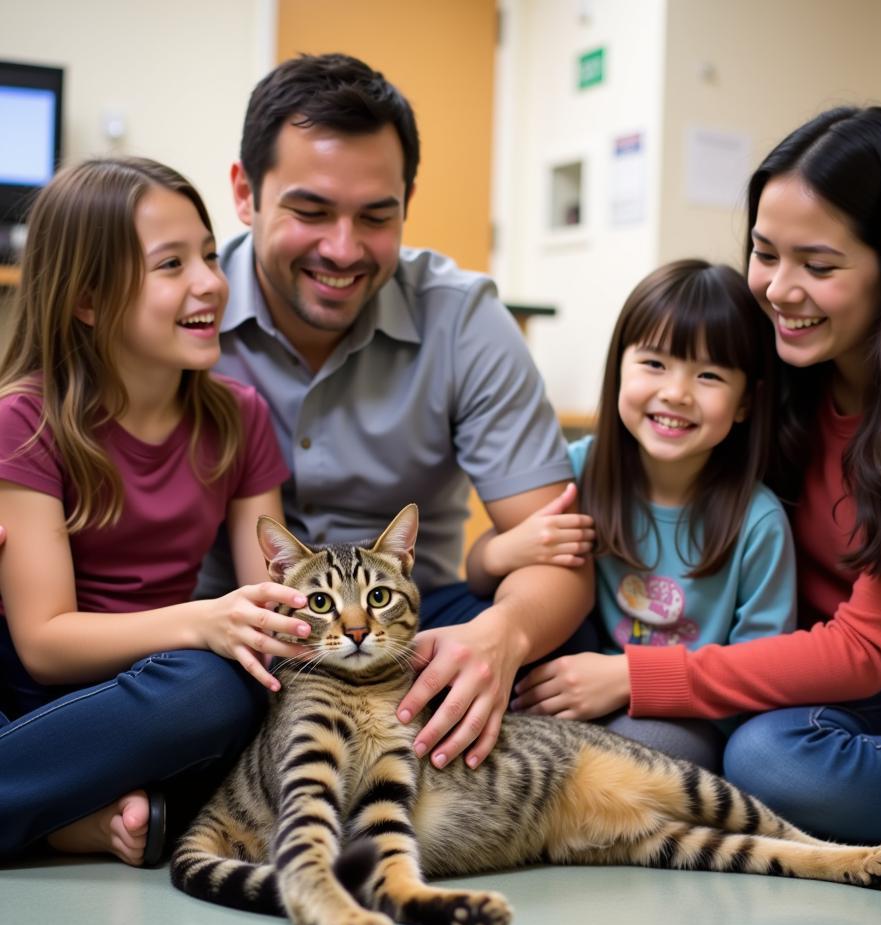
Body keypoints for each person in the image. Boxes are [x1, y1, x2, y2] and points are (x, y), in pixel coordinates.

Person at [593, 108, 881, 849]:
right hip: (840, 670)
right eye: (765, 254)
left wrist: (640, 676)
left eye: (818, 267)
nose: (779, 291)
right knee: (771, 762)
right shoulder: (768, 356)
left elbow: (870, 647)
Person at [200, 52, 591, 772]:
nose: (342, 250)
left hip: (414, 626)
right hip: (226, 637)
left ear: (407, 202)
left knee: (575, 657)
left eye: (376, 217)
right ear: (245, 193)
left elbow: (555, 548)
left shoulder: (464, 319)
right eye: (310, 211)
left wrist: (501, 636)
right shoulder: (185, 307)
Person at [0, 157, 311, 866]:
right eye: (171, 264)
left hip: (156, 690)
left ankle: (61, 814)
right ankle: (68, 815)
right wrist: (204, 620)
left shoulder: (239, 416)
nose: (209, 281)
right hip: (33, 683)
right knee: (213, 683)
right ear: (87, 299)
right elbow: (43, 642)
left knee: (233, 688)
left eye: (207, 253)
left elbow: (274, 587)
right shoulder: (26, 419)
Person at [469, 260, 797, 771]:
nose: (676, 392)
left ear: (745, 403)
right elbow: (478, 571)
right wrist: (504, 549)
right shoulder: (580, 470)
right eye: (654, 364)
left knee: (625, 760)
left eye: (709, 374)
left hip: (686, 717)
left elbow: (761, 674)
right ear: (619, 366)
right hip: (570, 690)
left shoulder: (758, 521)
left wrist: (625, 679)